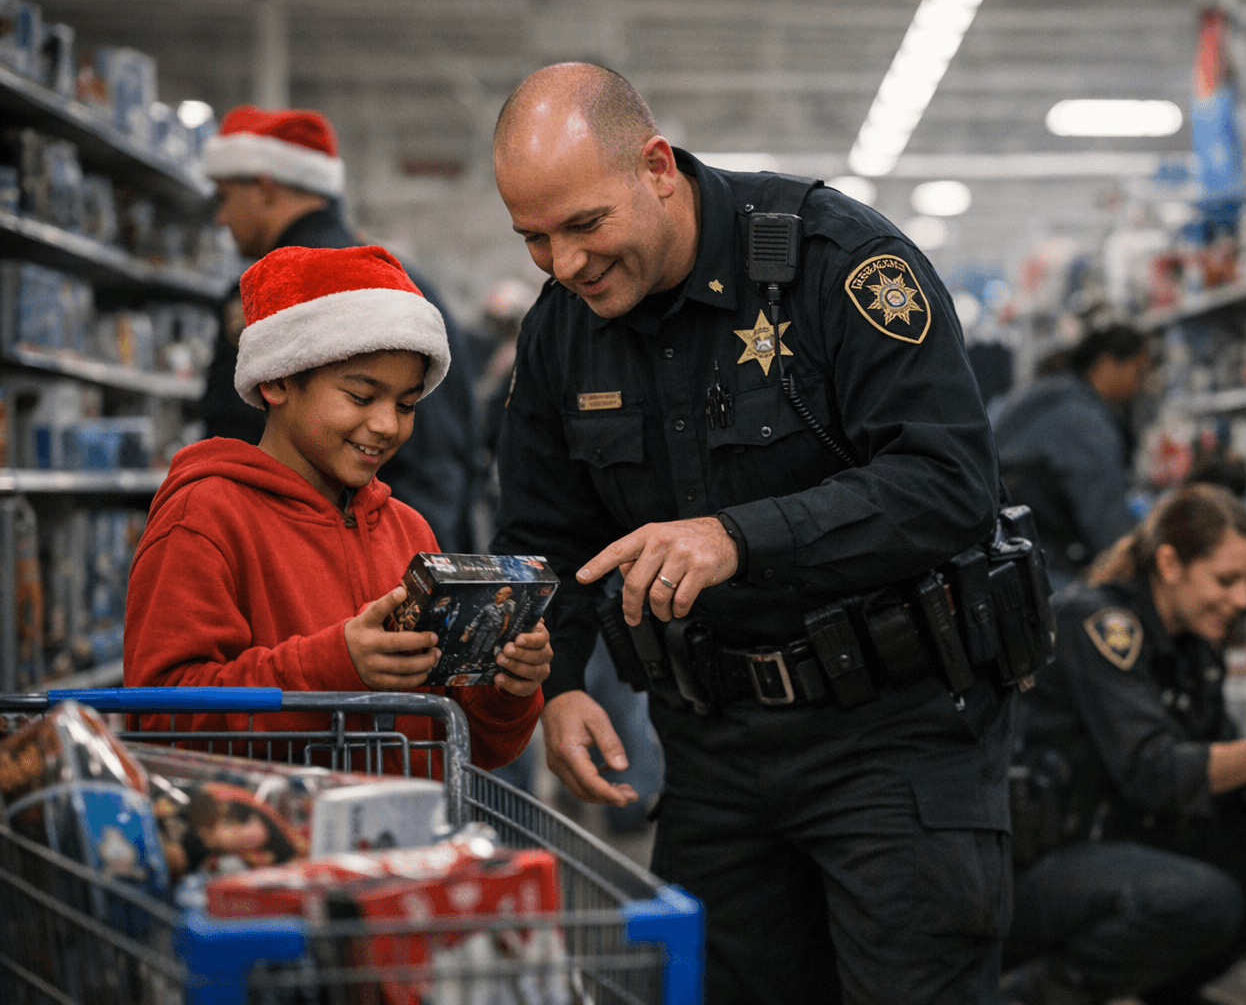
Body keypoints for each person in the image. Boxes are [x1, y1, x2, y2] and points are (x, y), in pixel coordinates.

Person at [489, 63, 1010, 1004]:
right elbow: (541, 531)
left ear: (655, 168)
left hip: (892, 741)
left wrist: (740, 536)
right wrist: (558, 685)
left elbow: (950, 482)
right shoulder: (561, 333)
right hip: (713, 750)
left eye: (584, 225)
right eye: (534, 239)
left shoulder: (836, 263)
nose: (564, 264)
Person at [123, 245, 550, 772]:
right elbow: (162, 720)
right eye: (361, 395)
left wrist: (507, 686)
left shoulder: (408, 529)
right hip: (277, 843)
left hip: (406, 842)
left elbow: (471, 744)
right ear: (278, 378)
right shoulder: (205, 515)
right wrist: (332, 669)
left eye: (406, 404)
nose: (388, 425)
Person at [1004, 484, 1246, 1005]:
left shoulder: (1193, 650)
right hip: (1046, 864)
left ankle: (1160, 992)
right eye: (1226, 580)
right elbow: (1152, 770)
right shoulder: (1098, 624)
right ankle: (1038, 994)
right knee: (1205, 899)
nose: (1242, 601)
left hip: (1124, 847)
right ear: (1170, 563)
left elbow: (1223, 763)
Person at [199, 105, 482, 552]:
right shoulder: (405, 283)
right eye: (361, 397)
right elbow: (444, 462)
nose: (221, 217)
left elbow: (234, 437)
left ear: (264, 188)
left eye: (224, 195)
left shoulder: (277, 296)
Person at [991, 324, 1151, 589]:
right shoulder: (1084, 422)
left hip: (1007, 562)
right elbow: (1107, 524)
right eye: (1138, 371)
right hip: (1047, 574)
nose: (1141, 385)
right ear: (1107, 364)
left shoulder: (1040, 396)